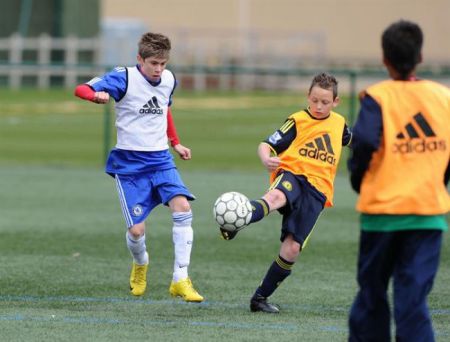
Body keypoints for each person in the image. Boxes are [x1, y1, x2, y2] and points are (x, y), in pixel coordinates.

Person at [74, 32, 204, 302]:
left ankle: (180, 278)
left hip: (161, 160)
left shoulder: (168, 80)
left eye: (163, 63)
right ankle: (141, 263)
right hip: (130, 165)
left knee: (183, 208)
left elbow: (164, 108)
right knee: (137, 231)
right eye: (153, 63)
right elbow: (81, 88)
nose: (158, 69)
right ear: (139, 59)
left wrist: (176, 143)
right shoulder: (123, 77)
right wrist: (94, 96)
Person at [348, 20, 450, 341]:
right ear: (420, 57)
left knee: (372, 294)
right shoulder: (443, 98)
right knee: (413, 298)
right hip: (427, 215)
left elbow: (363, 141)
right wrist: (439, 181)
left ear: (384, 59)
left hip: (382, 216)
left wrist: (358, 176)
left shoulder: (378, 97)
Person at [220, 72, 352, 313]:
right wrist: (265, 158)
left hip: (318, 192)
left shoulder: (340, 123)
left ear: (336, 102)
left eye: (325, 102)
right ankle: (238, 219)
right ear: (307, 96)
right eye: (314, 100)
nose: (319, 106)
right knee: (275, 198)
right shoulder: (297, 120)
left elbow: (357, 142)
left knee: (292, 249)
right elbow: (266, 144)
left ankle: (259, 298)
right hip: (293, 175)